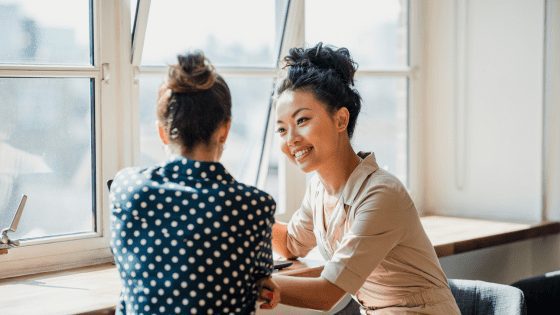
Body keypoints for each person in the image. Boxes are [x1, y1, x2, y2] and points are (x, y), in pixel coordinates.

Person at [271, 43, 460, 314]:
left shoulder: (381, 193)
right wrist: (241, 210)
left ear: (340, 120)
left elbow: (327, 294)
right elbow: (291, 243)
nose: (291, 139)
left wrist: (246, 284)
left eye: (302, 121)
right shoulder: (319, 191)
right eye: (281, 129)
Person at [109, 51, 279, 314]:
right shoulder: (254, 206)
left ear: (162, 132)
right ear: (224, 130)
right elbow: (259, 277)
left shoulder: (126, 187)